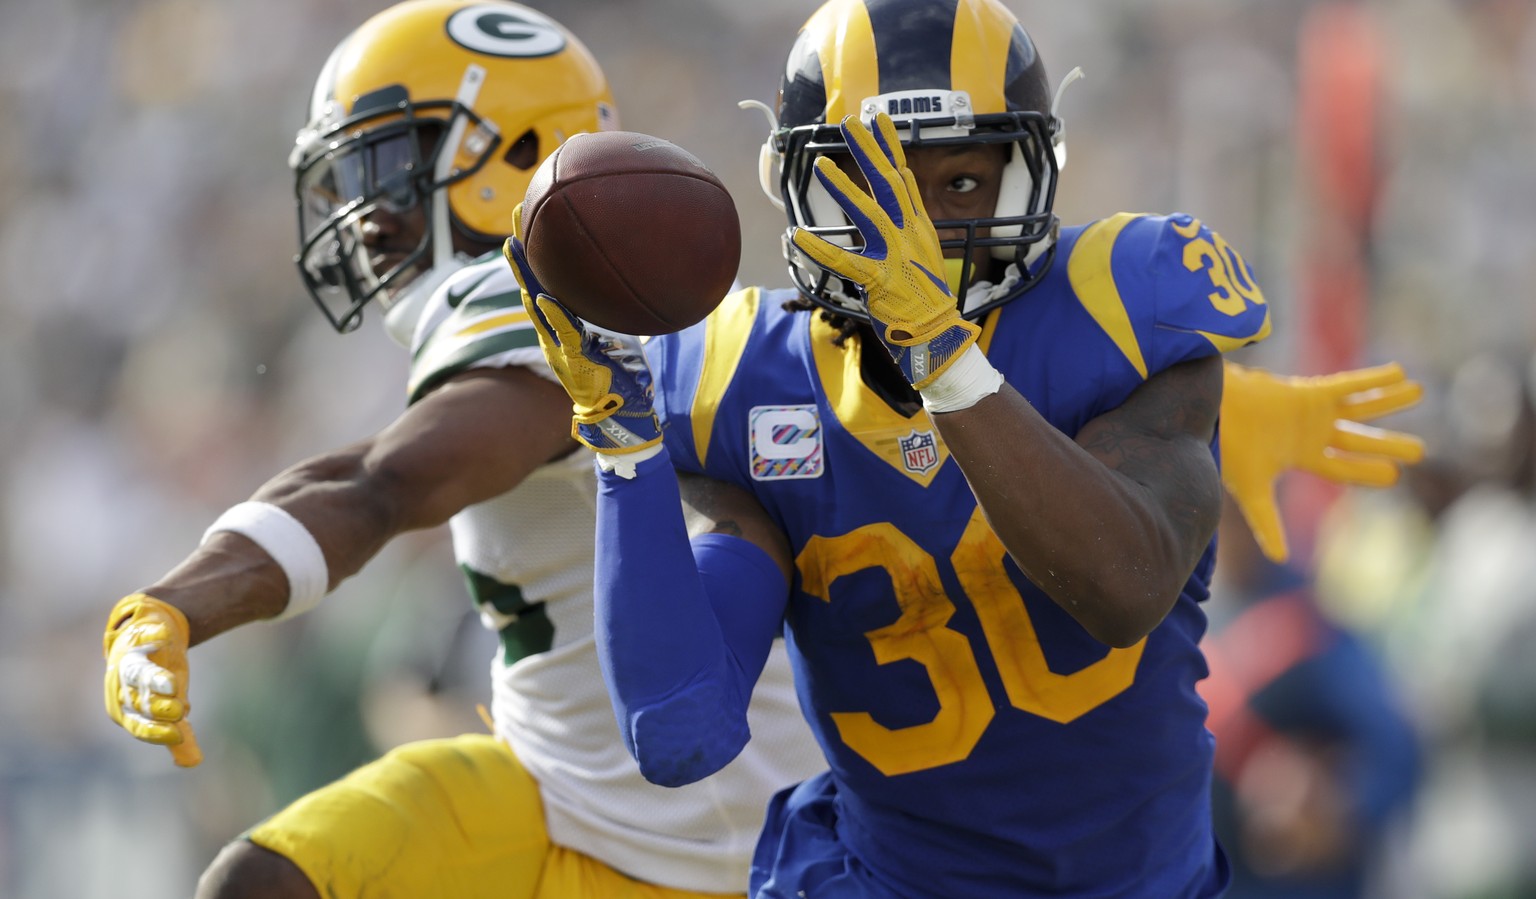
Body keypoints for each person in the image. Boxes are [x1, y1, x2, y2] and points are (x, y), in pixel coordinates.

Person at [504, 0, 1423, 896]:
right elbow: (680, 732)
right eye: (876, 186)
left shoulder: (1118, 305)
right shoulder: (742, 380)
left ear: (1029, 173)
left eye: (960, 183)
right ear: (805, 188)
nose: (921, 230)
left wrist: (944, 360)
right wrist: (627, 454)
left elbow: (1125, 584)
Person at [99, 2, 826, 897]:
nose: (361, 213)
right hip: (560, 786)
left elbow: (385, 483)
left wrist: (180, 604)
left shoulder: (549, 304)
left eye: (387, 166)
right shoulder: (614, 290)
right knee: (267, 881)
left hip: (717, 838)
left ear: (508, 159)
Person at [1203, 494, 1420, 899]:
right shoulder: (1184, 621)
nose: (1234, 529)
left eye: (1244, 510)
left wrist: (1339, 805)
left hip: (1304, 882)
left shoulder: (1310, 617)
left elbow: (1396, 744)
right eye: (1224, 513)